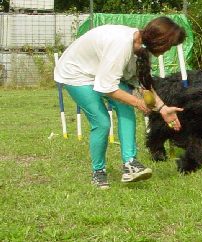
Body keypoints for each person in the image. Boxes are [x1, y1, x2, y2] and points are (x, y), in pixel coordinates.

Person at [54, 16, 186, 189]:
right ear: (160, 41)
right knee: (102, 123)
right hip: (76, 74)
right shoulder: (122, 45)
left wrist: (162, 108)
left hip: (101, 71)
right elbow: (107, 88)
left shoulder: (141, 47)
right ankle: (98, 172)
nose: (168, 51)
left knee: (125, 109)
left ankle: (130, 164)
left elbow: (143, 83)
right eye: (169, 46)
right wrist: (138, 103)